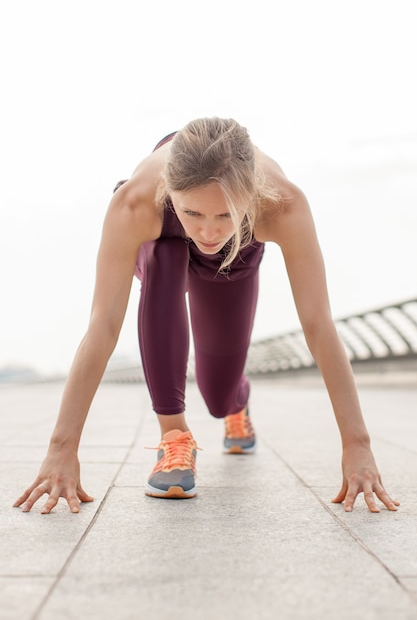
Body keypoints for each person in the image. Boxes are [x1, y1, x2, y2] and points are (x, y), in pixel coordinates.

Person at [14, 117, 399, 513]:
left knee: (218, 397)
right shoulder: (136, 203)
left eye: (225, 215)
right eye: (192, 212)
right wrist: (62, 449)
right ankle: (174, 438)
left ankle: (237, 401)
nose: (209, 233)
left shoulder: (282, 204)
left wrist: (358, 446)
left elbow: (318, 325)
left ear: (251, 197)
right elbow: (104, 324)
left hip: (236, 259)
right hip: (163, 240)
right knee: (167, 254)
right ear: (169, 193)